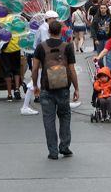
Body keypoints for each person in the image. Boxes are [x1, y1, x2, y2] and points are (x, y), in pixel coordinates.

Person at [32, 21, 79, 160]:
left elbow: (35, 69)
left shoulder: (41, 47)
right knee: (65, 116)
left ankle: (53, 151)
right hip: (64, 87)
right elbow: (71, 69)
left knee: (49, 119)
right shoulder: (67, 47)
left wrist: (35, 85)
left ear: (49, 31)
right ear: (60, 31)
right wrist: (76, 88)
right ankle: (64, 146)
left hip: (46, 88)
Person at [21, 10, 59, 115]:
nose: (56, 21)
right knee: (36, 82)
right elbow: (46, 44)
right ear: (48, 19)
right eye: (54, 19)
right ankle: (25, 107)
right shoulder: (44, 28)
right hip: (41, 58)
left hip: (43, 58)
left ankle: (54, 104)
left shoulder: (46, 28)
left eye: (56, 19)